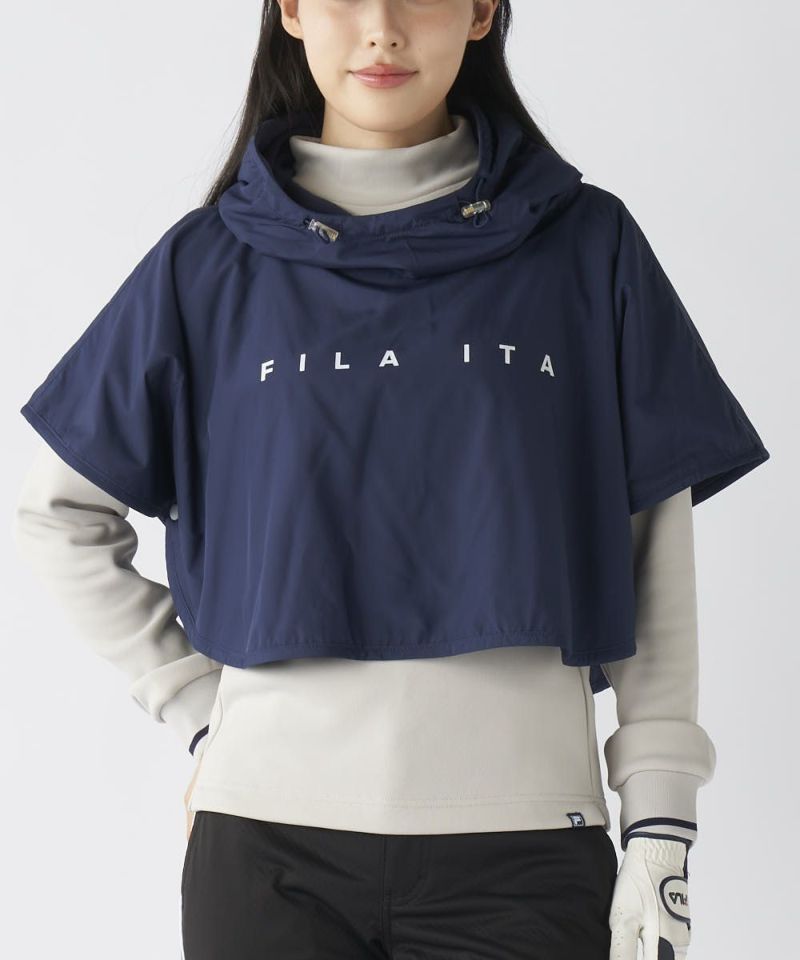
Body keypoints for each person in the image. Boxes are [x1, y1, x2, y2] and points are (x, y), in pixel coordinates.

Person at [14, 2, 770, 958]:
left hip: (526, 854)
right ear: (291, 10)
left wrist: (662, 823)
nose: (381, 27)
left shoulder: (587, 246)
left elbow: (651, 543)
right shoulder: (205, 267)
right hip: (267, 852)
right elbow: (58, 515)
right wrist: (201, 710)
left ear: (482, 10)